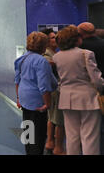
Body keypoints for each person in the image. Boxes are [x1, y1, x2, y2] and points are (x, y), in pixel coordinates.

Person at [53, 25, 104, 155]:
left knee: (71, 136)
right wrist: (101, 89)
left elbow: (60, 79)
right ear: (76, 39)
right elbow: (96, 79)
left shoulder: (57, 56)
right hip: (88, 99)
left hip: (66, 99)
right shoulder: (86, 54)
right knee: (90, 135)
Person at [14, 31, 58, 155]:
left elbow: (17, 80)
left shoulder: (21, 59)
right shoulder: (42, 61)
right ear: (44, 45)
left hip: (24, 99)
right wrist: (47, 104)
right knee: (38, 135)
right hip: (37, 102)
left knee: (28, 131)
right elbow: (44, 86)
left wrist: (18, 98)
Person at [41, 28, 65, 155]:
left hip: (54, 90)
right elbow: (46, 64)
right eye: (51, 37)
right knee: (59, 120)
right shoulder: (47, 54)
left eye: (55, 36)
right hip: (56, 90)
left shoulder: (54, 53)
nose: (55, 39)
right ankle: (58, 147)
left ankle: (50, 141)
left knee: (52, 118)